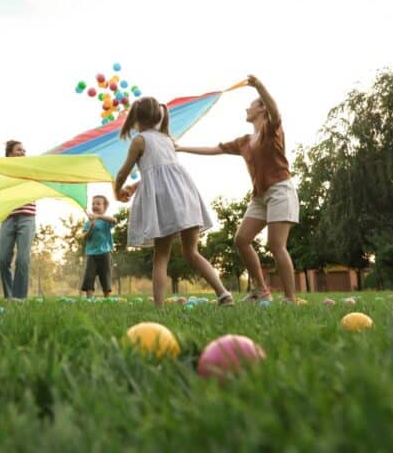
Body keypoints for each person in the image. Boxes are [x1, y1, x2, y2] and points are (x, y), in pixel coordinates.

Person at [176, 75, 299, 302]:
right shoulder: (244, 141)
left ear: (261, 110)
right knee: (242, 240)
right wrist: (181, 148)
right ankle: (261, 291)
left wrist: (259, 86)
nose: (246, 108)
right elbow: (215, 149)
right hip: (260, 196)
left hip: (280, 190)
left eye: (251, 105)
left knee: (275, 245)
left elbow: (276, 111)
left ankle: (290, 298)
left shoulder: (272, 129)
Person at [115, 96, 234, 307]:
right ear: (159, 116)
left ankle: (159, 308)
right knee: (192, 252)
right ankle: (224, 294)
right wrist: (136, 186)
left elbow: (125, 171)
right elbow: (161, 172)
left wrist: (117, 191)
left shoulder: (140, 140)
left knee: (161, 257)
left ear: (136, 118)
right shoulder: (167, 140)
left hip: (166, 204)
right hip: (186, 198)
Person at [0, 140, 36, 300]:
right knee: (2, 260)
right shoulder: (2, 172)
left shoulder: (31, 169)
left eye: (24, 150)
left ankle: (19, 299)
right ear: (9, 154)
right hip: (7, 218)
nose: (23, 152)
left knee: (22, 260)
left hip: (27, 218)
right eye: (19, 150)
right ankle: (9, 296)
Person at [81, 195, 116, 299]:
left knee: (105, 276)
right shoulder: (88, 222)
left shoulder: (106, 221)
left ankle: (107, 298)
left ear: (104, 207)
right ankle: (89, 299)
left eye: (98, 203)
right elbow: (85, 237)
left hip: (105, 253)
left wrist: (99, 217)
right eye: (93, 204)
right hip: (91, 254)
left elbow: (114, 220)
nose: (95, 205)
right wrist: (91, 226)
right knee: (89, 276)